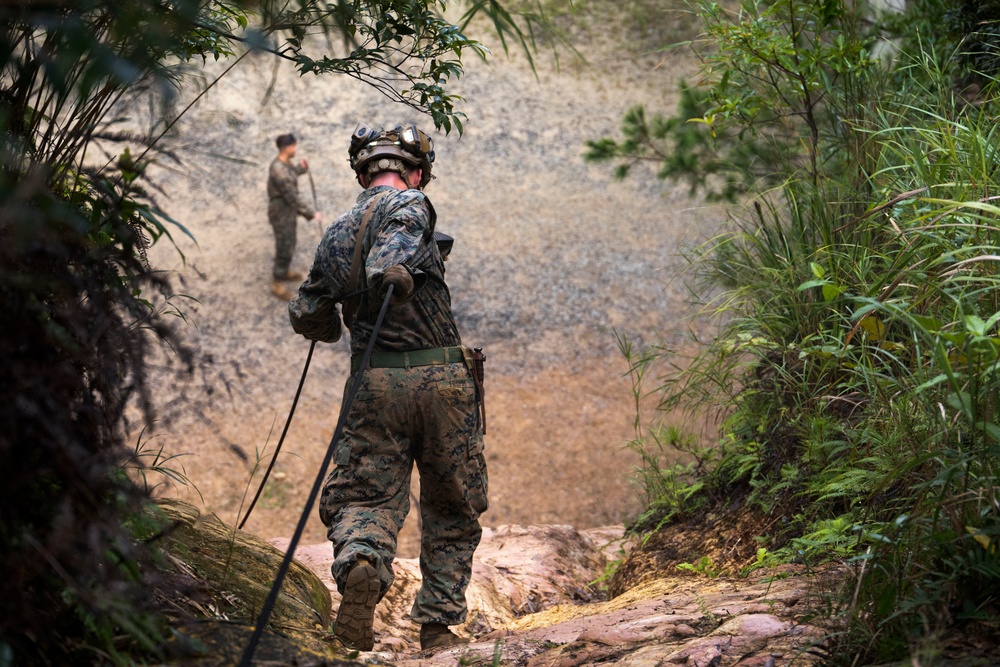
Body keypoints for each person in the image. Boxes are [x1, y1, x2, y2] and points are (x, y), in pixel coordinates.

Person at [287, 124, 488, 652]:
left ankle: (362, 563)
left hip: (374, 384)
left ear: (361, 176)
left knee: (366, 495)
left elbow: (307, 311)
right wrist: (389, 271)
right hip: (443, 382)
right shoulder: (413, 204)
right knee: (451, 503)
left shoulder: (335, 232)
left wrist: (332, 322)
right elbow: (391, 253)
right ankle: (438, 626)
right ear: (416, 173)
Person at [267, 133, 322, 300]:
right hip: (282, 214)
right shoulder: (279, 170)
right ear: (287, 148)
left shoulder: (283, 164)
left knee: (289, 243)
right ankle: (277, 282)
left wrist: (300, 168)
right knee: (284, 246)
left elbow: (290, 176)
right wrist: (311, 214)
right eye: (294, 146)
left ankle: (283, 271)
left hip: (286, 212)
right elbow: (292, 197)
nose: (295, 149)